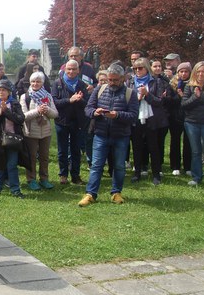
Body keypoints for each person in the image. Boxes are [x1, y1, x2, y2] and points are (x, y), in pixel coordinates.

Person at [79, 63, 139, 206]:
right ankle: (90, 194)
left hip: (121, 135)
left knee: (119, 166)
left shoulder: (130, 93)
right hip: (100, 134)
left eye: (115, 80)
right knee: (96, 165)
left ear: (122, 78)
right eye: (109, 80)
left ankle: (116, 192)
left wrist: (117, 115)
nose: (112, 83)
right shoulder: (100, 89)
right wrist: (95, 112)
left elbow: (133, 116)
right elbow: (88, 109)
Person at [128, 57, 168, 185]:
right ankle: (137, 172)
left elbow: (159, 101)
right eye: (135, 69)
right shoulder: (130, 82)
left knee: (153, 147)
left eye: (140, 68)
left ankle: (156, 174)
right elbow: (127, 102)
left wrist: (147, 94)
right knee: (137, 147)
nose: (138, 71)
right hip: (136, 119)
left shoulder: (156, 82)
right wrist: (138, 99)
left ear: (147, 69)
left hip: (152, 119)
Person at [0, 80, 26, 199]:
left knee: (12, 165)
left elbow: (20, 119)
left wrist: (6, 112)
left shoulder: (15, 104)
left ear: (9, 92)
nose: (1, 92)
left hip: (12, 139)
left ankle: (15, 189)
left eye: (3, 90)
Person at [181, 61, 204, 188]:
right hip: (192, 123)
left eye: (203, 71)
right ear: (195, 73)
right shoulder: (189, 86)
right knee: (196, 151)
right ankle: (196, 177)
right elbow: (184, 105)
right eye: (198, 71)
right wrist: (195, 97)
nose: (201, 74)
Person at [52, 59, 89, 185]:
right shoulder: (57, 83)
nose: (71, 71)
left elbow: (88, 104)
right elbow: (55, 103)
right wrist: (70, 100)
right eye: (69, 69)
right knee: (62, 150)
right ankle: (63, 175)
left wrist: (80, 99)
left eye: (74, 69)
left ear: (78, 70)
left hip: (78, 122)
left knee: (75, 150)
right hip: (62, 121)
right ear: (64, 69)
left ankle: (75, 175)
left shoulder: (81, 84)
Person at [20, 71, 58, 191]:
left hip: (45, 132)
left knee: (44, 157)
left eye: (38, 81)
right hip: (31, 132)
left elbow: (55, 114)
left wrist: (46, 110)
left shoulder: (47, 95)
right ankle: (31, 179)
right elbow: (23, 116)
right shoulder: (25, 97)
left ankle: (44, 179)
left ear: (42, 83)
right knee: (31, 157)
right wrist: (37, 111)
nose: (35, 84)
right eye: (33, 81)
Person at [166, 62, 192, 176]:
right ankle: (175, 165)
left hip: (189, 117)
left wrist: (183, 96)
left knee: (188, 142)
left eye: (186, 71)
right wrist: (178, 94)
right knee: (175, 141)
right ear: (178, 72)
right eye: (181, 71)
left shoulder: (193, 84)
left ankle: (188, 167)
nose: (183, 74)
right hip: (175, 117)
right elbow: (170, 101)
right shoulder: (172, 84)